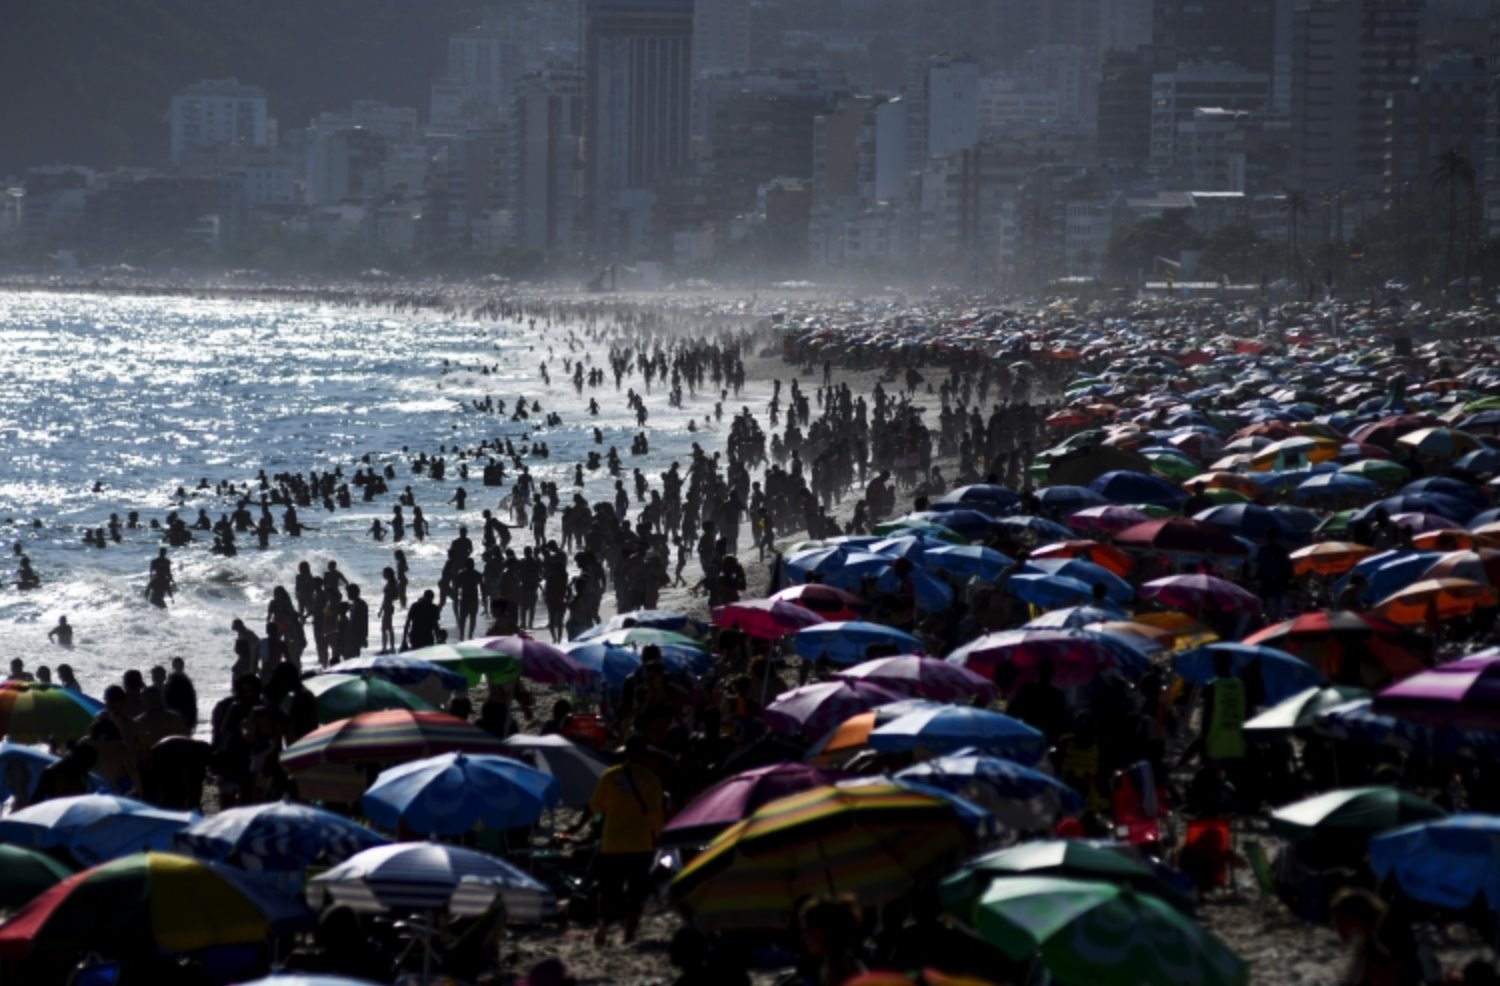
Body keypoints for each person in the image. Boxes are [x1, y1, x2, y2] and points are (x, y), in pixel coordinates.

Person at [587, 734, 665, 947]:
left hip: (612, 842)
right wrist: (658, 837)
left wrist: (611, 810)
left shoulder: (610, 775)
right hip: (640, 844)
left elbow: (595, 806)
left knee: (610, 890)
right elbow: (656, 815)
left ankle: (603, 929)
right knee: (635, 892)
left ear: (626, 753)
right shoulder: (651, 779)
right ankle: (629, 934)